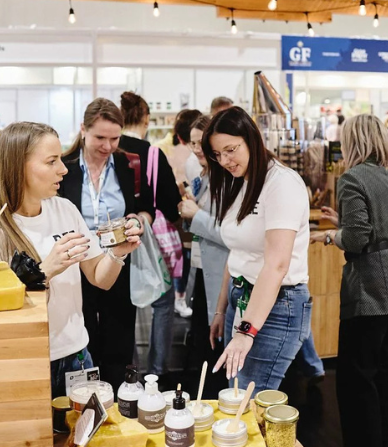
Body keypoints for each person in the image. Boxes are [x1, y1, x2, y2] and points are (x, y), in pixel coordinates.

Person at [0, 122, 142, 400]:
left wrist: (117, 252)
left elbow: (100, 278)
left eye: (60, 158)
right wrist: (44, 271)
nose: (64, 169)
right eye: (51, 161)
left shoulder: (65, 209)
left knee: (82, 429)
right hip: (25, 358)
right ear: (18, 166)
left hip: (77, 355)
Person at [310, 114, 388, 447]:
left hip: (371, 287)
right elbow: (385, 227)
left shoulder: (352, 178)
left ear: (352, 141)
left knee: (356, 379)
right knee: (382, 370)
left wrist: (331, 235)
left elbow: (357, 238)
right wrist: (345, 224)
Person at [204, 106, 311, 393]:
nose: (224, 161)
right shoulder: (240, 182)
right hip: (241, 299)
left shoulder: (281, 183)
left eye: (231, 150)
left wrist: (247, 331)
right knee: (236, 393)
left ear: (251, 139)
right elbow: (237, 253)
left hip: (277, 305)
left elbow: (277, 265)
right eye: (217, 154)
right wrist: (221, 310)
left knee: (248, 399)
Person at [61, 98, 162, 390]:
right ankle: (85, 396)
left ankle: (119, 396)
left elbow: (147, 209)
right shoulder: (64, 168)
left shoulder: (129, 164)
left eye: (114, 139)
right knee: (82, 333)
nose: (107, 146)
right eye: (100, 138)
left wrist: (137, 221)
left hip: (118, 260)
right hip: (77, 262)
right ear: (83, 130)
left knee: (119, 335)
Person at [118, 91, 185, 380]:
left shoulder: (110, 150)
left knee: (123, 304)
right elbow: (170, 204)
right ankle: (156, 371)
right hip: (150, 237)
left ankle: (129, 370)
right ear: (146, 119)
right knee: (163, 301)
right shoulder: (153, 153)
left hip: (117, 238)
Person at [177, 114, 229, 398]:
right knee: (202, 339)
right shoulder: (203, 178)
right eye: (193, 143)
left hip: (221, 274)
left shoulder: (227, 181)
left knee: (214, 342)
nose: (196, 149)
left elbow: (230, 234)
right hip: (202, 270)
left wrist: (196, 215)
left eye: (201, 143)